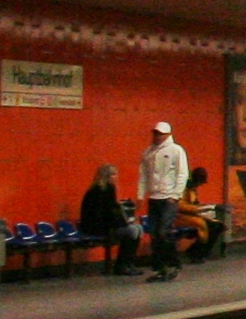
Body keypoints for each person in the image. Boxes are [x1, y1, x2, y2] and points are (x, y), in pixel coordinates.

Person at [139, 120, 189, 280]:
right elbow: (143, 176)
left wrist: (175, 196)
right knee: (155, 234)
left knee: (163, 232)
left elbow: (183, 174)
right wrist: (141, 195)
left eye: (161, 134)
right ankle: (159, 267)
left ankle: (173, 263)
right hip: (154, 197)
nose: (157, 136)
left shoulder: (176, 150)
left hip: (168, 198)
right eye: (155, 133)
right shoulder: (148, 152)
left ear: (168, 135)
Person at [77, 162, 132, 276]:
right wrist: (121, 223)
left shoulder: (103, 188)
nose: (116, 177)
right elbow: (105, 212)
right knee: (130, 232)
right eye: (113, 175)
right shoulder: (101, 191)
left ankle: (127, 263)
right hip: (95, 226)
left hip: (102, 223)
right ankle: (122, 265)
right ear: (107, 177)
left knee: (136, 229)